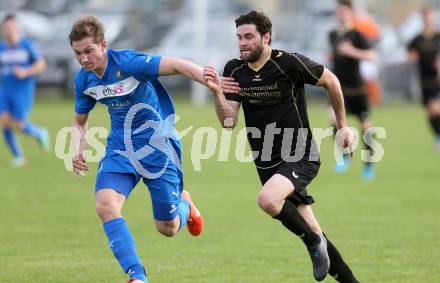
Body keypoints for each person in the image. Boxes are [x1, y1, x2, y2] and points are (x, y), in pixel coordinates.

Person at [208, 10, 360, 283]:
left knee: (267, 200)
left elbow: (331, 81)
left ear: (266, 37)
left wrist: (344, 125)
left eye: (249, 37)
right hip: (266, 162)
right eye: (239, 37)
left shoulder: (288, 63)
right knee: (314, 229)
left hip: (300, 154)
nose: (242, 42)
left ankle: (312, 242)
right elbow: (229, 121)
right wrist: (217, 93)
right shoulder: (234, 70)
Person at [69, 16, 216, 283]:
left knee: (168, 228)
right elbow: (80, 121)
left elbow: (176, 64)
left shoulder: (128, 63)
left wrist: (206, 80)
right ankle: (137, 276)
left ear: (103, 45)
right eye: (78, 53)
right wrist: (77, 149)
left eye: (89, 51)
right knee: (105, 205)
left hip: (158, 146)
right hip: (120, 148)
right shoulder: (84, 81)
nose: (84, 59)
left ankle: (184, 204)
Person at [328, 0, 378, 180]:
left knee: (365, 127)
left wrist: (351, 51)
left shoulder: (357, 35)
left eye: (343, 11)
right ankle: (344, 156)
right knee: (334, 119)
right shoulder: (333, 34)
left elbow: (372, 55)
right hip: (338, 89)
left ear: (350, 13)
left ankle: (369, 166)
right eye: (338, 11)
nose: (340, 14)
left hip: (357, 90)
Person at [0, 14, 49, 167]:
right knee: (5, 122)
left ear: (17, 28)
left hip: (22, 91)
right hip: (5, 90)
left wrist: (25, 71)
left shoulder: (27, 45)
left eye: (12, 26)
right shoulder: (1, 47)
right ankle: (19, 157)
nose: (9, 30)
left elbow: (41, 64)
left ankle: (39, 133)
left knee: (20, 125)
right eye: (6, 27)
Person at [408, 6, 440, 151]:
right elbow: (410, 54)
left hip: (437, 80)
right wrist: (412, 57)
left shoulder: (438, 36)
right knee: (429, 113)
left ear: (433, 18)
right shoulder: (417, 39)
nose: (427, 20)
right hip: (423, 80)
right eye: (425, 17)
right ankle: (438, 136)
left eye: (429, 17)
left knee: (435, 108)